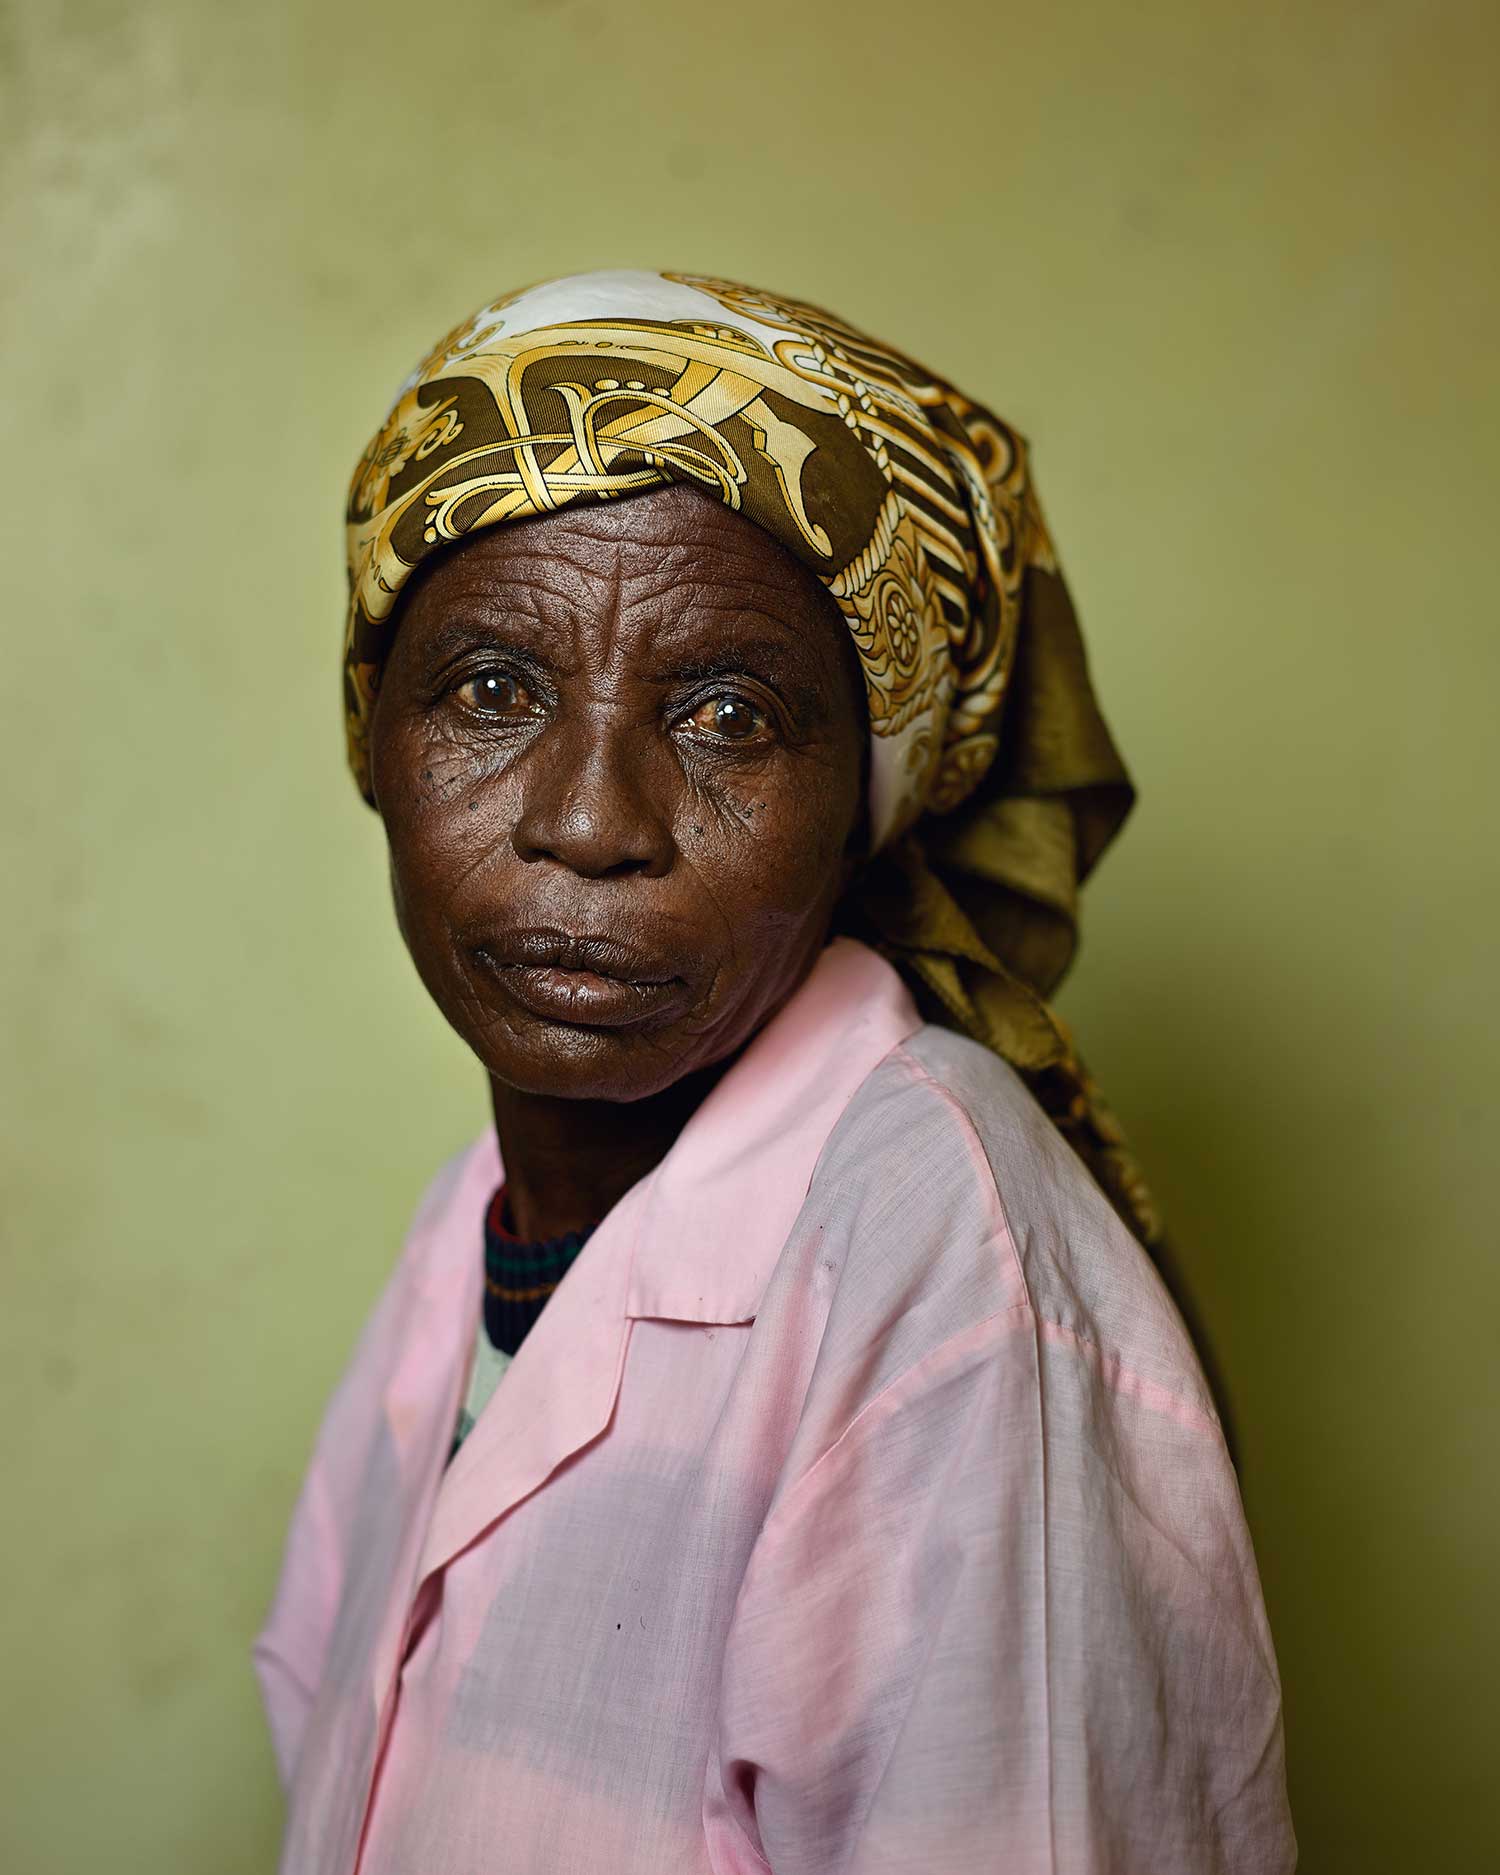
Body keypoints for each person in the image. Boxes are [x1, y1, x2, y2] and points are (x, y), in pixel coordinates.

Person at [254, 270, 1295, 1874]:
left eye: (730, 715)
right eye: (490, 691)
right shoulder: (471, 1236)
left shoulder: (948, 1269)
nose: (591, 821)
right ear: (372, 741)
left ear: (866, 803)